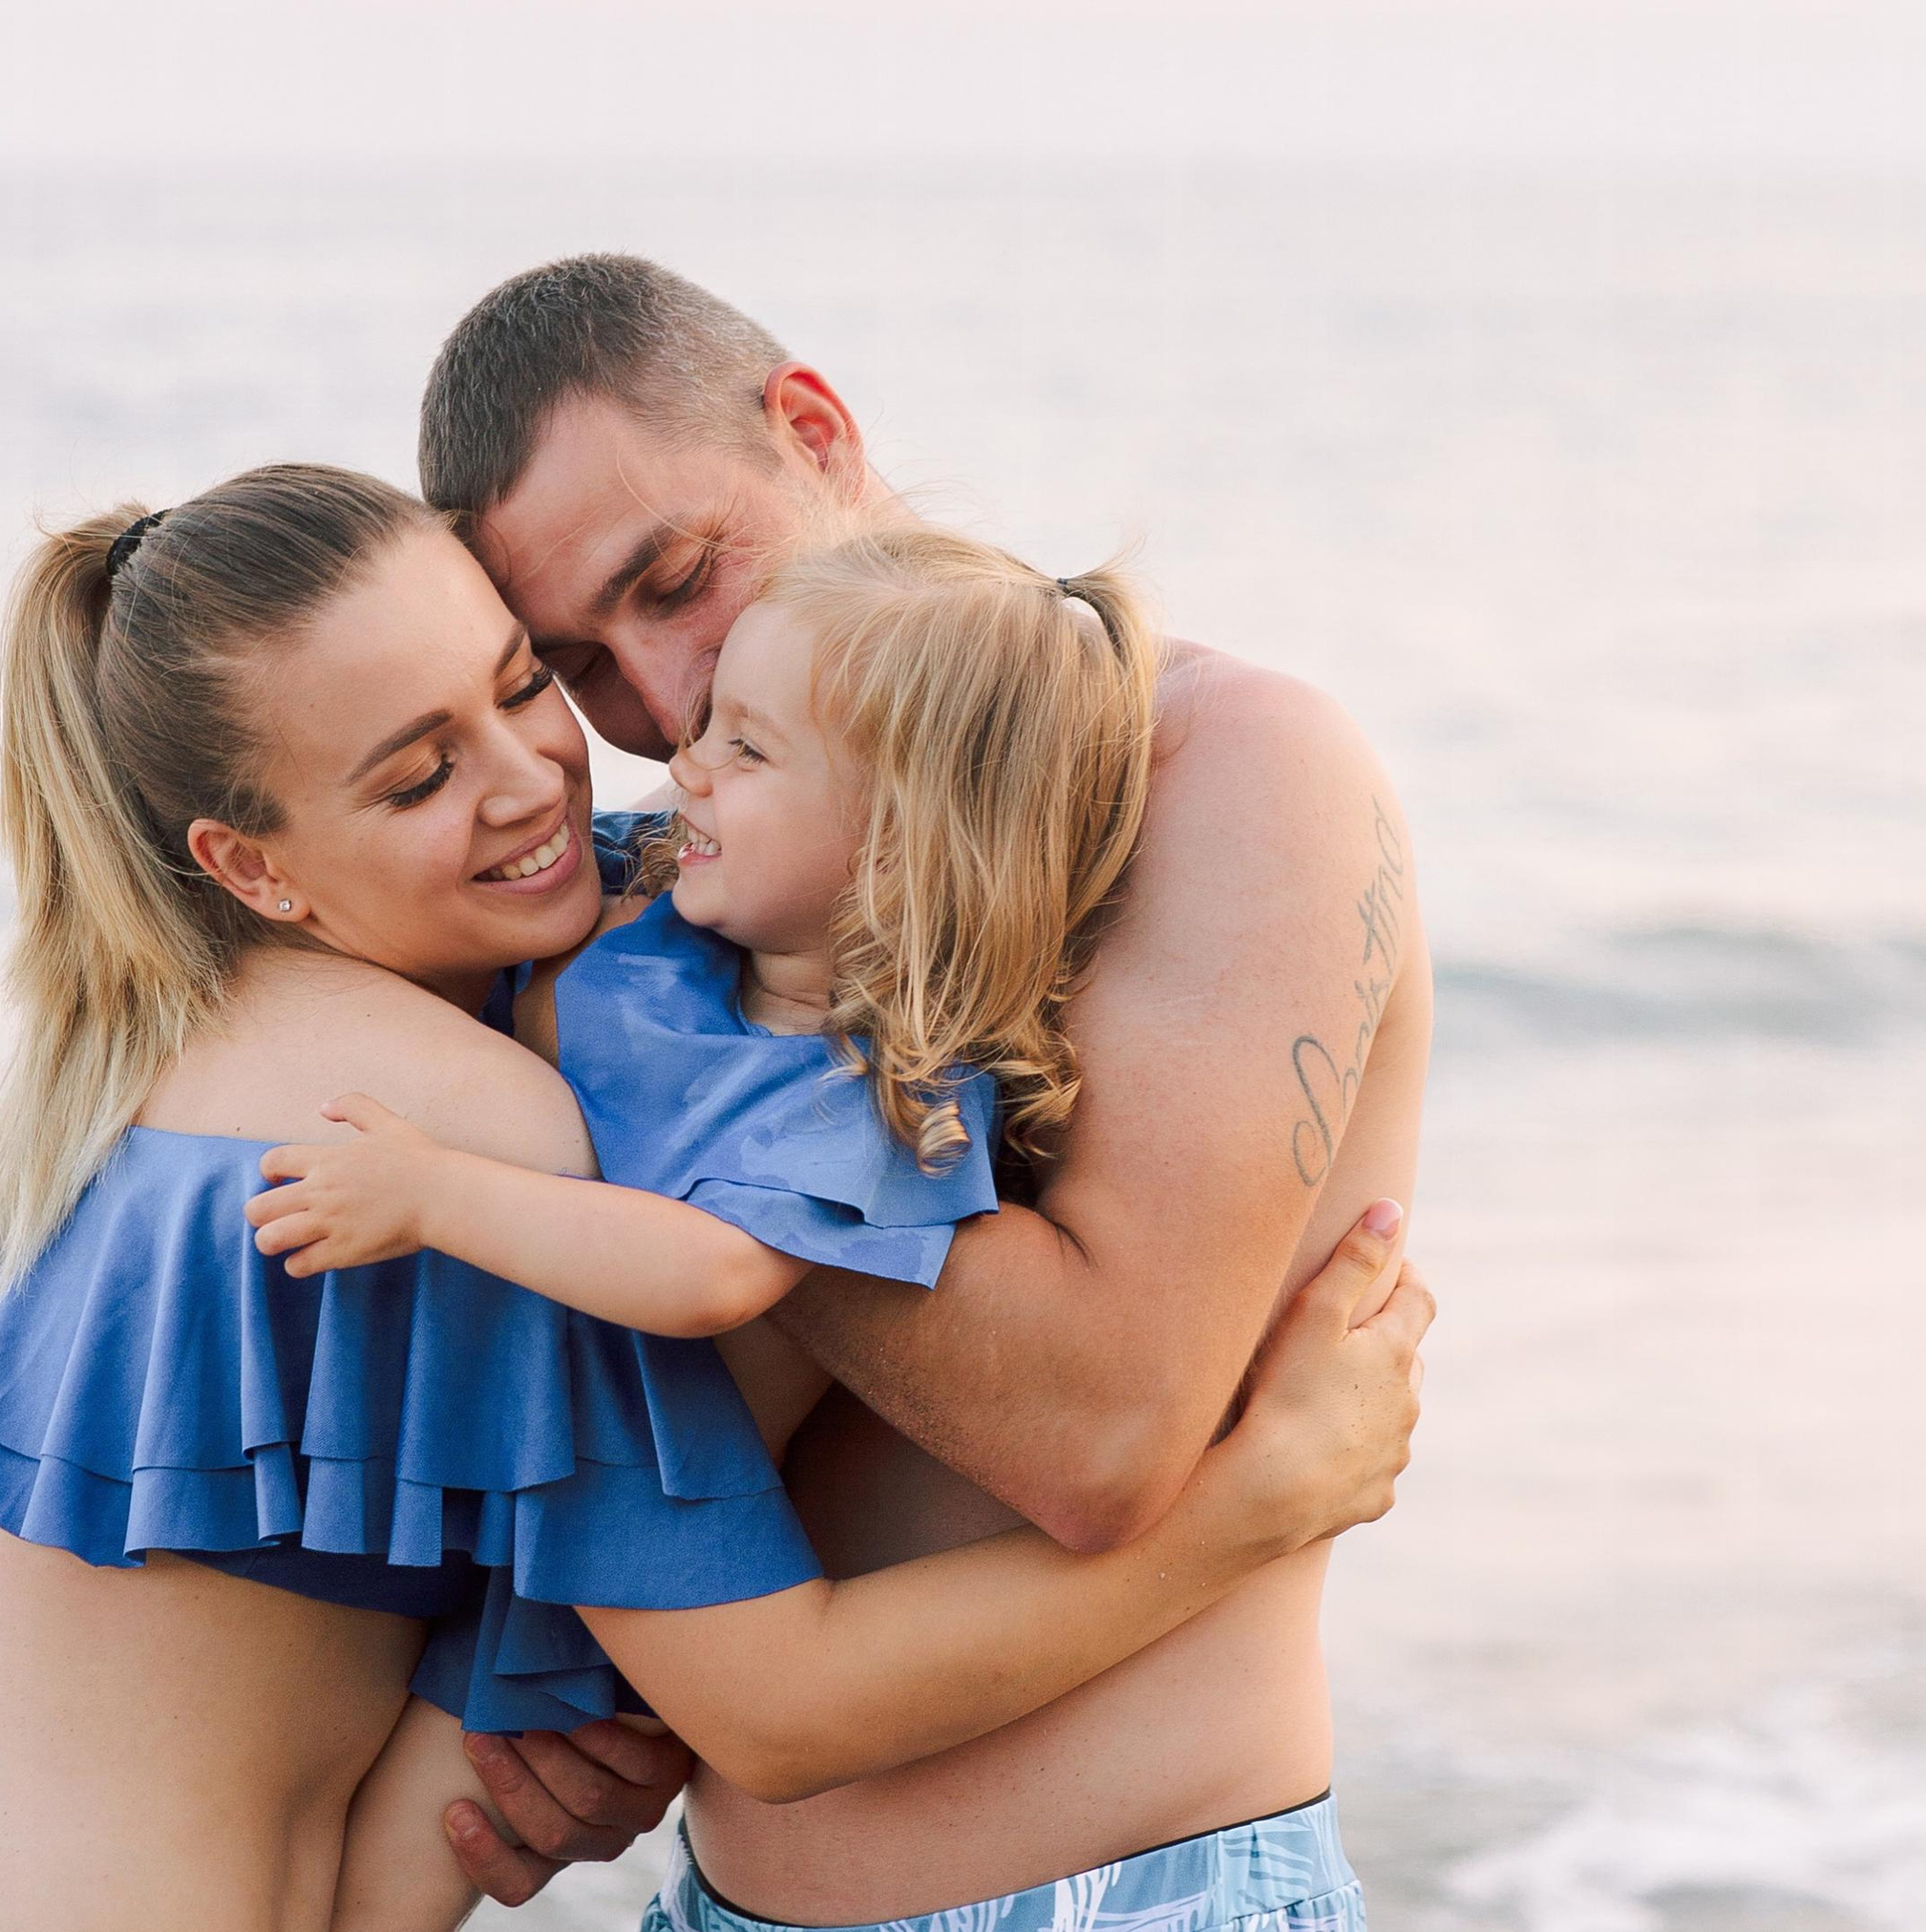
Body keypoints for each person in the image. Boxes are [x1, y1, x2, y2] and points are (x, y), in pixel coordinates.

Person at [0, 464, 1430, 1932]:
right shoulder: (464, 1126)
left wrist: (536, 1710)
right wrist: (1256, 1507)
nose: (536, 779)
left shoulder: (116, 1070)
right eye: (415, 776)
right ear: (250, 863)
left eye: (527, 683)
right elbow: (779, 1705)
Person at [414, 258, 1434, 1929]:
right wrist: (589, 1675)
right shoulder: (709, 884)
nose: (662, 707)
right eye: (575, 667)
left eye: (675, 580)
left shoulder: (1215, 768)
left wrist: (609, 1052)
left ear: (812, 430)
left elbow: (1100, 1428)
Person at [237, 525, 1162, 1731]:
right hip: (523, 1476)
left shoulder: (875, 1091)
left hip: (646, 1547)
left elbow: (712, 1274)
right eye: (712, 723)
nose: (684, 766)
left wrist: (431, 1194)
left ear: (893, 843)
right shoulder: (675, 919)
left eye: (749, 748)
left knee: (398, 1869)